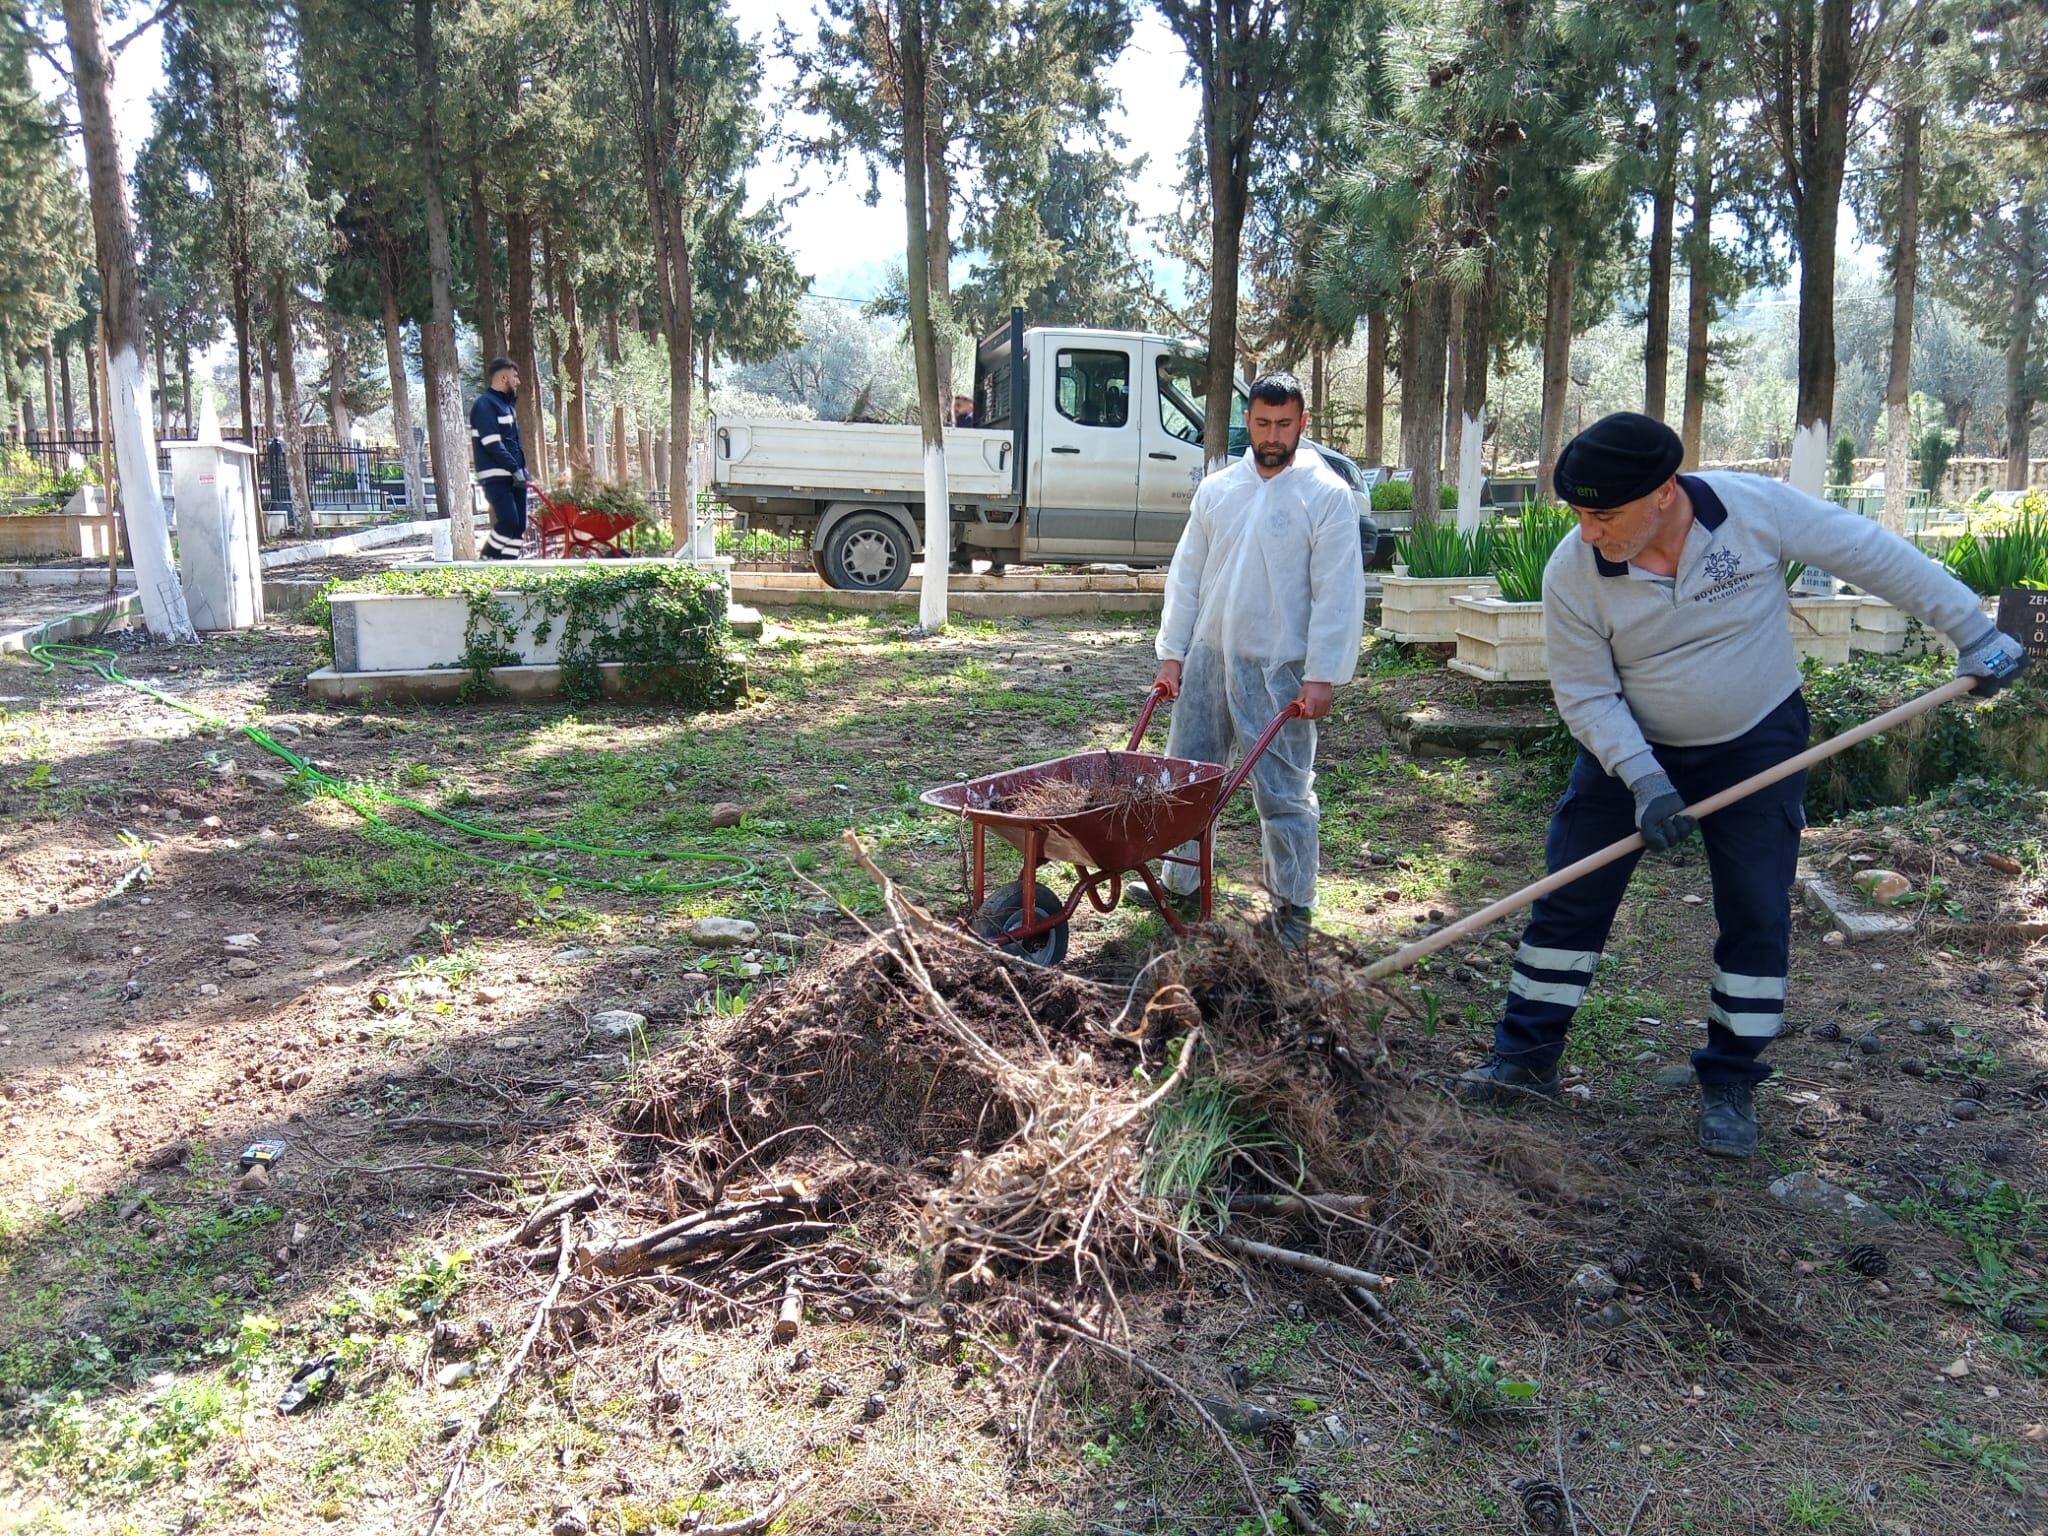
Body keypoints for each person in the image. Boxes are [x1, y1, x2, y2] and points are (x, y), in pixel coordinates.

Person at [1457, 412, 2027, 1156]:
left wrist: (1973, 632)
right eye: (1579, 515)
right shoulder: (1573, 571)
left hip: (1757, 741)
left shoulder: (1751, 510)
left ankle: (1730, 1081)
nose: (1589, 532)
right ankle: (1523, 1061)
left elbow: (1869, 551)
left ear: (1664, 491)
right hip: (1629, 748)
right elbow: (1587, 695)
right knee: (1569, 898)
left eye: (1604, 514)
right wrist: (1645, 780)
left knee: (1756, 912)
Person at [1147, 372, 1367, 946]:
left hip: (1279, 671)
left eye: (1285, 424)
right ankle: (1181, 883)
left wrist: (1322, 675)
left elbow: (1337, 592)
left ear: (1303, 423)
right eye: (1263, 423)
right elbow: (1186, 576)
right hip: (1207, 661)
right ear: (1249, 420)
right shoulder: (1219, 489)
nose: (1273, 435)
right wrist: (1172, 655)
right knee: (1186, 777)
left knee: (1284, 789)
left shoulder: (1325, 496)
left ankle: (1293, 908)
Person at [470, 358, 529, 560]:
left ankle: (509, 566)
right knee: (508, 521)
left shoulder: (506, 406)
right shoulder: (485, 405)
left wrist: (521, 469)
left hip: (515, 474)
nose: (518, 381)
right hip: (496, 475)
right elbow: (492, 443)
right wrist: (515, 468)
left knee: (520, 525)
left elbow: (512, 442)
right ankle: (487, 557)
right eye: (515, 376)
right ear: (504, 378)